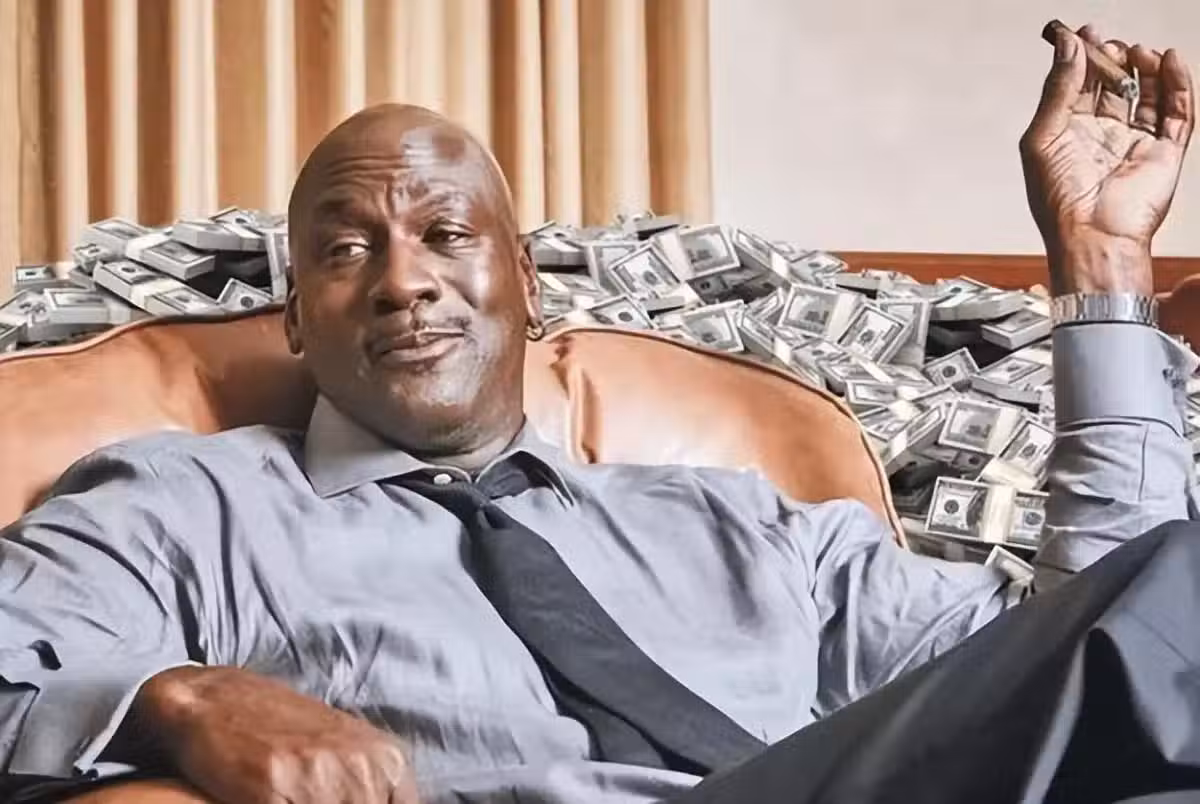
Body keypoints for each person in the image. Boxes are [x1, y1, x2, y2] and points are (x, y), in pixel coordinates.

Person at [0, 21, 1197, 804]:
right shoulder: (187, 504)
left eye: (446, 234)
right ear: (298, 321)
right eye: (345, 251)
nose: (404, 280)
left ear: (527, 283)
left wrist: (1101, 268)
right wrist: (179, 699)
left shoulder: (752, 530)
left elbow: (1096, 653)